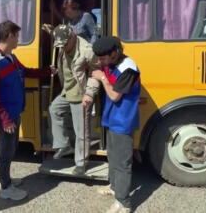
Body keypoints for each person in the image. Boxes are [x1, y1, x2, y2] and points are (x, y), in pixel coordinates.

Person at [0, 20, 53, 201]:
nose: (18, 40)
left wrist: (47, 71)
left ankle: (4, 178)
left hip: (14, 113)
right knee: (6, 150)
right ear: (9, 36)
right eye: (17, 36)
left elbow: (26, 72)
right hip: (4, 117)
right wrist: (5, 120)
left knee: (11, 147)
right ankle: (5, 187)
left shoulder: (11, 58)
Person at [91, 36, 140, 213]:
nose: (100, 62)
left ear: (114, 53)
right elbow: (99, 68)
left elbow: (114, 96)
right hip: (112, 118)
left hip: (123, 121)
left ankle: (124, 203)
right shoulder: (111, 63)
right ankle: (114, 187)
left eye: (103, 58)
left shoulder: (128, 69)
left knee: (122, 162)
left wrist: (103, 78)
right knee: (112, 156)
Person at [49, 24, 100, 175]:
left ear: (72, 37)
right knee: (54, 110)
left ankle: (81, 163)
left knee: (81, 131)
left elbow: (96, 71)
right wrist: (58, 71)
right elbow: (70, 68)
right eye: (60, 45)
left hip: (81, 92)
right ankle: (64, 145)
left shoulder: (87, 50)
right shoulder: (62, 45)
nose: (62, 48)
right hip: (67, 91)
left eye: (64, 44)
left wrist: (89, 93)